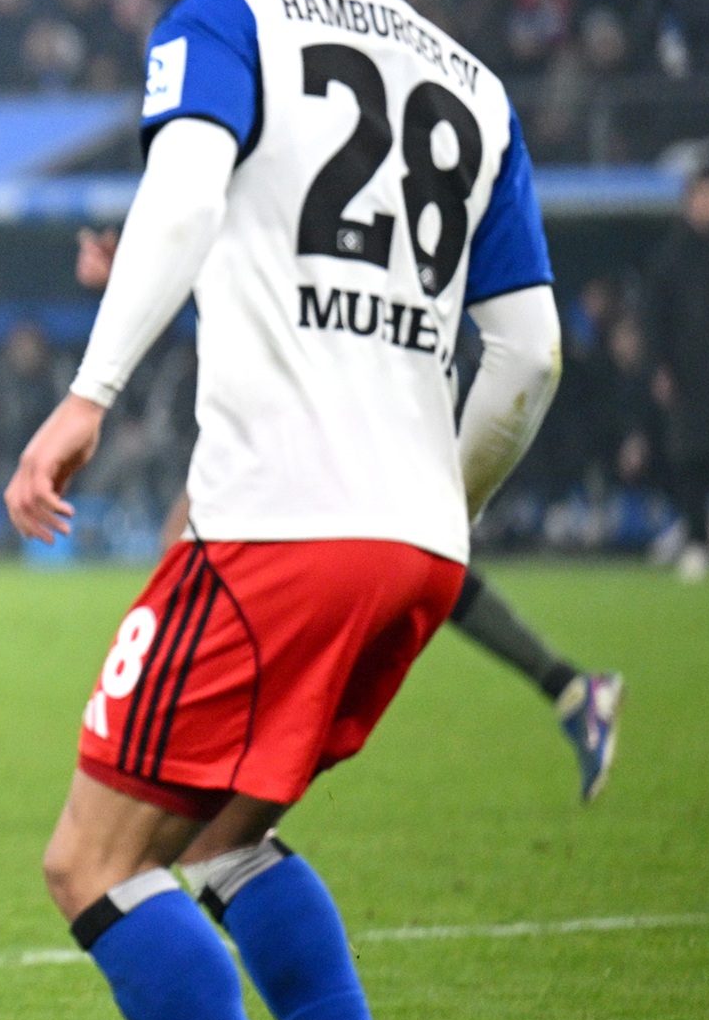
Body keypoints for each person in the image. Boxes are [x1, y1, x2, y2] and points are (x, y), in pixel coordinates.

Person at [8, 0, 561, 1020]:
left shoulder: (227, 16)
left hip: (272, 532)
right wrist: (434, 503)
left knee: (93, 863)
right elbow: (528, 354)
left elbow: (186, 194)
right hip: (412, 542)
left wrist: (89, 394)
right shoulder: (476, 84)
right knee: (225, 836)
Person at [76, 227, 621, 800]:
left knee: (238, 556)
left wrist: (143, 266)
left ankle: (218, 763)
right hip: (340, 395)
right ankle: (567, 687)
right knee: (401, 556)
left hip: (328, 397)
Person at [644, 160, 709, 580]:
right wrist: (658, 368)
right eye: (700, 197)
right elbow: (654, 320)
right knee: (692, 461)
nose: (708, 204)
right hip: (689, 379)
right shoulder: (670, 258)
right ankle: (697, 540)